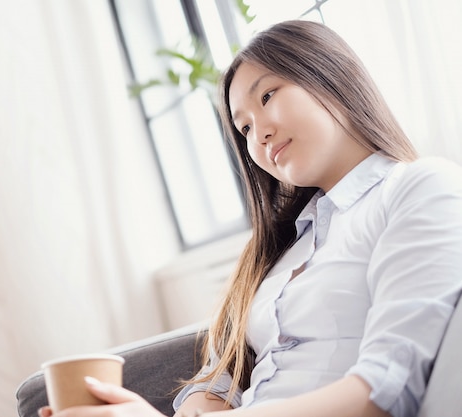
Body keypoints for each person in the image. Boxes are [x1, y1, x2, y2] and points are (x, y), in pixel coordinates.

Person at [38, 19, 462, 417]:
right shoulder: (281, 250)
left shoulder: (418, 188)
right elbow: (220, 378)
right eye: (243, 129)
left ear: (331, 76)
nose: (258, 135)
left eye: (267, 96)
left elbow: (383, 392)